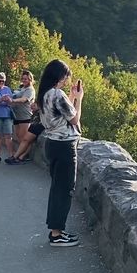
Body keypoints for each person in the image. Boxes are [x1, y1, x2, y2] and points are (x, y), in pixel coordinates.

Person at [37, 59, 82, 247]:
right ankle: (56, 234)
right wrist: (80, 99)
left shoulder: (45, 94)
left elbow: (60, 114)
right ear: (60, 76)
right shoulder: (57, 94)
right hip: (64, 146)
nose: (66, 81)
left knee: (57, 188)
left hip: (52, 144)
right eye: (65, 78)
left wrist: (70, 97)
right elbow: (74, 119)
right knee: (64, 190)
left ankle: (57, 230)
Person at [9, 69, 35, 149]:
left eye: (26, 79)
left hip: (25, 116)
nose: (24, 80)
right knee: (18, 136)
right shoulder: (21, 88)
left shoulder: (30, 90)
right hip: (16, 115)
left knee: (23, 137)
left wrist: (12, 100)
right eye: (23, 78)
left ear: (30, 79)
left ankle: (23, 155)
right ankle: (21, 155)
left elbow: (24, 99)